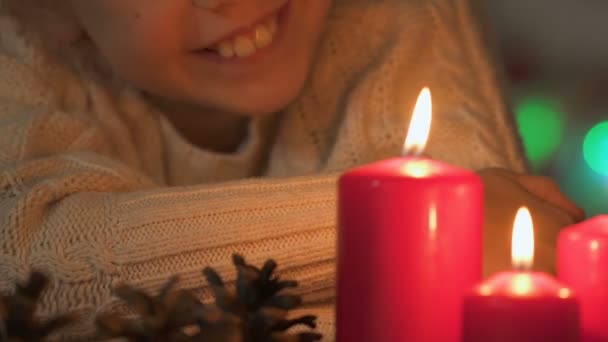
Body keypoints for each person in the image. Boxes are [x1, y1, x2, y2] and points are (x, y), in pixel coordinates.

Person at [0, 0, 584, 339]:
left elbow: (464, 297)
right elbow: (29, 265)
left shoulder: (387, 15)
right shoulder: (18, 54)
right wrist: (405, 235)